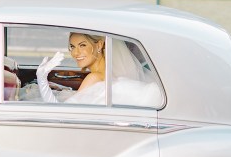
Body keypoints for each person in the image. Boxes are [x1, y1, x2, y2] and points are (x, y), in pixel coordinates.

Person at [35, 33, 163, 106]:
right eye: (72, 47)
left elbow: (61, 116)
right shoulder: (105, 74)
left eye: (82, 45)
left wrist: (42, 79)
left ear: (99, 45)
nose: (75, 53)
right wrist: (63, 89)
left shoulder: (94, 77)